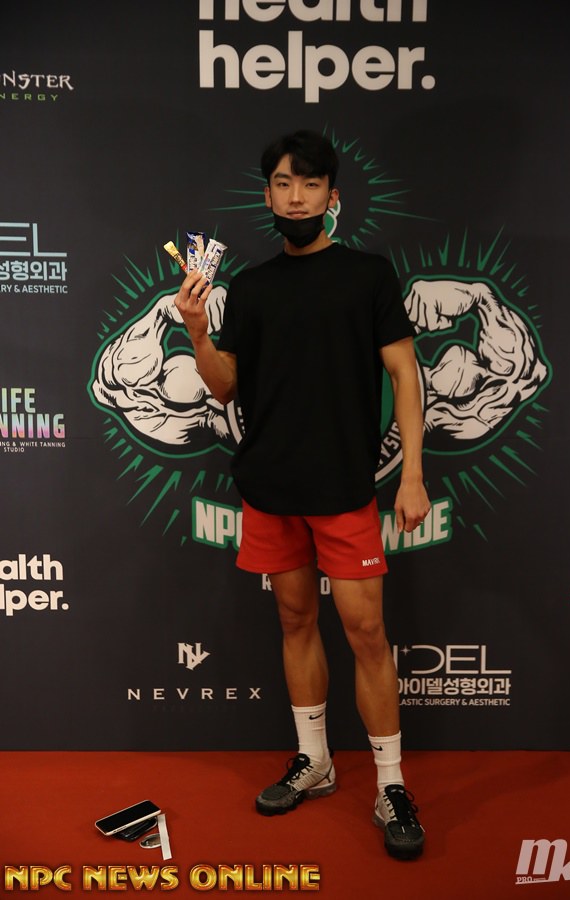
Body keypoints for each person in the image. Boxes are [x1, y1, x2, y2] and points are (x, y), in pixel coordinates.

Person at [175, 130, 431, 861]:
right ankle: (314, 761)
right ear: (268, 195)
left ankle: (390, 784)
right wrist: (197, 331)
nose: (296, 198)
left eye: (310, 185)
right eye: (284, 185)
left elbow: (405, 375)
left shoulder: (368, 275)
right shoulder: (252, 288)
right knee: (295, 622)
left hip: (344, 489)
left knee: (367, 634)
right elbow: (225, 386)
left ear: (331, 196)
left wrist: (412, 474)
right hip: (269, 489)